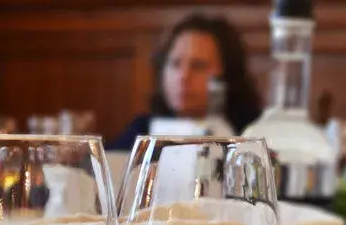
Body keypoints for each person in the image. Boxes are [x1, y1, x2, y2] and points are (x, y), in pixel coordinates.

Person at [110, 13, 261, 150]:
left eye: (198, 66)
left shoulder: (252, 132)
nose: (183, 76)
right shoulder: (143, 129)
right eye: (175, 63)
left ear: (228, 75)